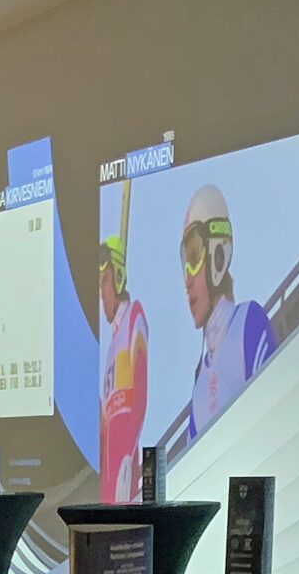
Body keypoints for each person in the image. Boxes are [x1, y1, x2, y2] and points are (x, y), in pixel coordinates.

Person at [160, 183, 277, 455]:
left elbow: (274, 421)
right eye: (184, 263)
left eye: (194, 257)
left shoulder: (249, 321)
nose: (187, 280)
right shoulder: (199, 380)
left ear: (218, 255)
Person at [96, 192, 148, 503]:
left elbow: (139, 394)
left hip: (126, 468)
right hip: (108, 476)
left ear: (118, 277)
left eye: (104, 281)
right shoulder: (109, 350)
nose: (101, 292)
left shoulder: (134, 317)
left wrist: (128, 456)